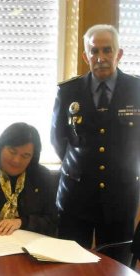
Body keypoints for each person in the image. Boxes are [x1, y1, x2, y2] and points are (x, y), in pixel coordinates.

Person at [51, 24, 140, 261]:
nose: (100, 58)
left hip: (119, 197)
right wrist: (81, 167)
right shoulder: (68, 91)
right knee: (69, 264)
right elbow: (58, 138)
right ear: (85, 56)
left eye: (107, 50)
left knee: (116, 265)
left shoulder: (137, 89)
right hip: (75, 196)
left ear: (119, 54)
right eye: (94, 51)